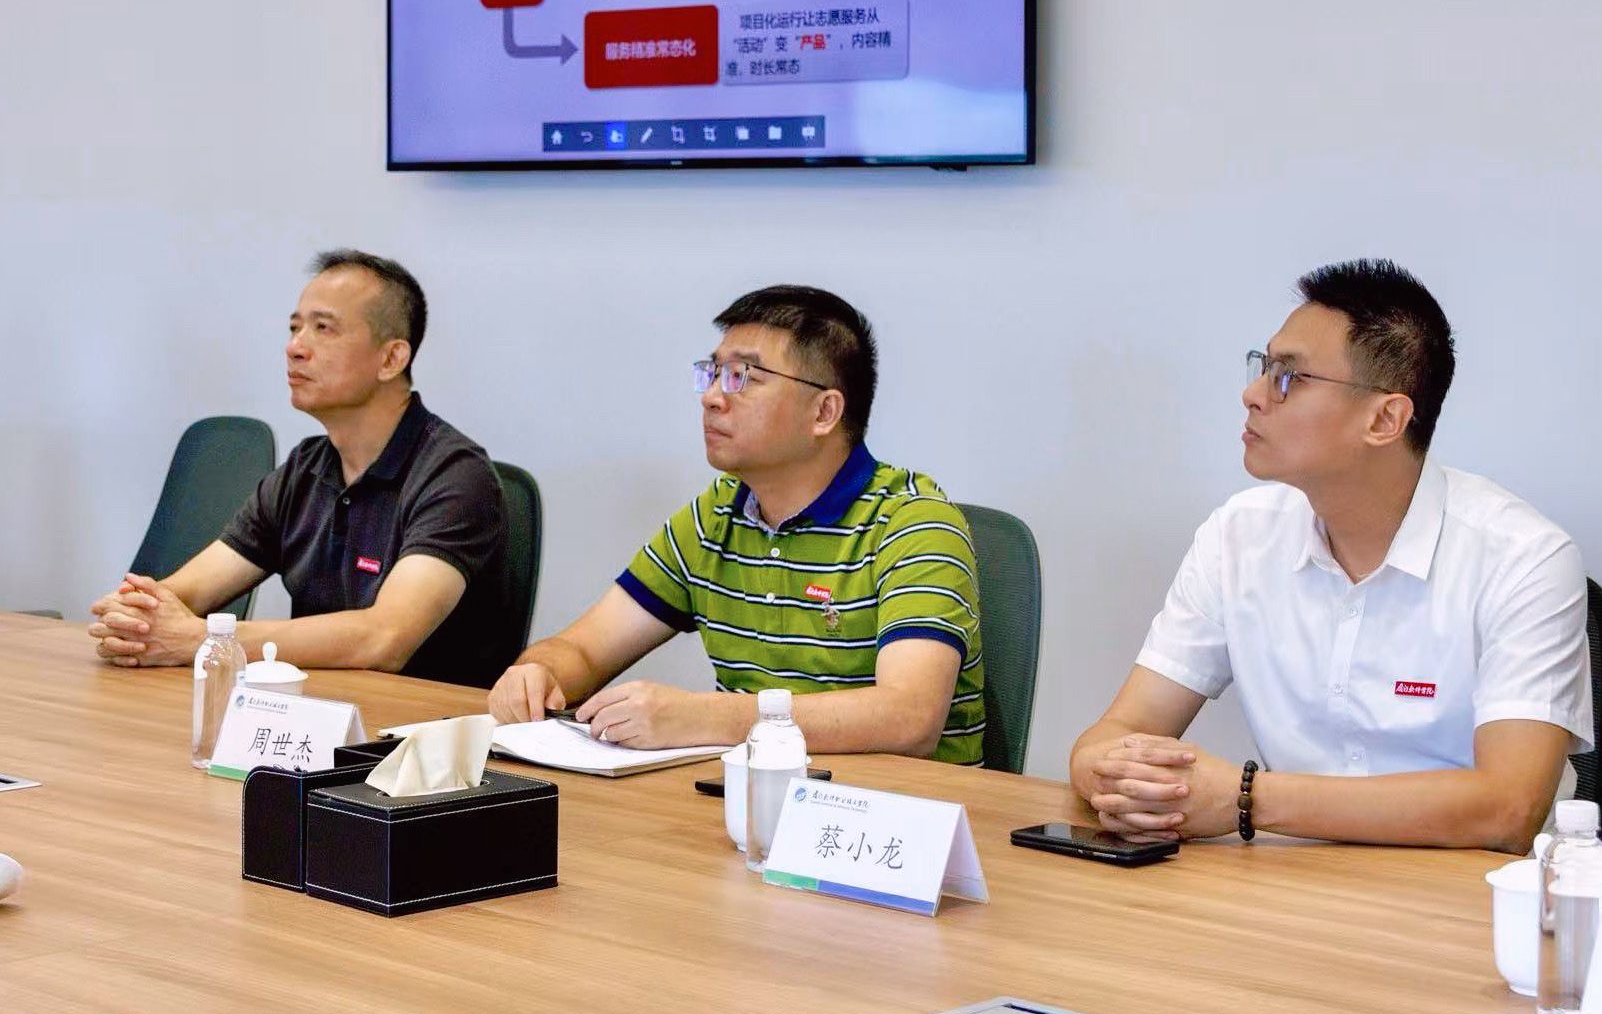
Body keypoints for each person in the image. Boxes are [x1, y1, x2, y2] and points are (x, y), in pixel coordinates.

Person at [1070, 259, 1590, 853]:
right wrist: (1112, 776)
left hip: (1467, 893)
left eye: (1289, 377)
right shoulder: (1237, 537)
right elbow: (1118, 732)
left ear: (1385, 419)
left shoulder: (1525, 558)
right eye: (1263, 367)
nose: (1252, 395)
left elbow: (1509, 808)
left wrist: (1246, 799)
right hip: (1292, 882)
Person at [488, 285, 986, 763]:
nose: (711, 397)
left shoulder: (914, 523)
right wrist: (538, 672)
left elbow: (909, 717)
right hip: (755, 802)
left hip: (893, 813)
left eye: (742, 377)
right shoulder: (715, 516)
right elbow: (584, 649)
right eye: (712, 373)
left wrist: (703, 716)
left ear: (824, 412)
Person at [87, 250, 511, 689]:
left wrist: (204, 639)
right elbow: (187, 591)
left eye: (323, 329)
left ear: (391, 359)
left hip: (426, 723)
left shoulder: (456, 476)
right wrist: (134, 615)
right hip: (314, 711)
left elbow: (386, 637)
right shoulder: (304, 470)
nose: (295, 348)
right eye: (294, 328)